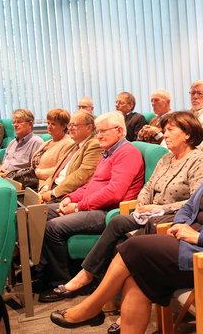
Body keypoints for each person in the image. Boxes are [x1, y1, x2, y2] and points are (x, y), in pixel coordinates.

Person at [48, 110, 203, 332]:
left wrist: (200, 236)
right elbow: (189, 205)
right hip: (193, 247)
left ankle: (92, 306)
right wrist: (180, 223)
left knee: (136, 246)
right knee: (137, 278)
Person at [44, 111, 203, 306]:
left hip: (172, 217)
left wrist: (156, 208)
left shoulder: (199, 160)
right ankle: (114, 298)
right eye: (164, 130)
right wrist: (142, 204)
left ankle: (91, 281)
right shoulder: (166, 159)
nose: (164, 134)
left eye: (170, 130)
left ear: (187, 133)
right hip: (148, 213)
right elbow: (148, 187)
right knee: (119, 237)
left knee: (118, 225)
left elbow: (195, 201)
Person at [36, 111, 145, 298]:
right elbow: (91, 185)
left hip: (110, 211)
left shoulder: (127, 153)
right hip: (93, 205)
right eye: (97, 131)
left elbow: (114, 193)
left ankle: (64, 282)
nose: (98, 136)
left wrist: (79, 206)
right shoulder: (108, 152)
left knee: (53, 228)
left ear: (119, 131)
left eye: (103, 131)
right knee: (39, 213)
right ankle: (43, 272)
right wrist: (70, 198)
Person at [39, 111, 102, 203]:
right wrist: (45, 187)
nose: (70, 129)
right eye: (70, 125)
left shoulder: (94, 145)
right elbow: (55, 172)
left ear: (89, 127)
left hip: (66, 194)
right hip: (52, 188)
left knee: (29, 213)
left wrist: (53, 193)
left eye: (74, 125)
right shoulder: (72, 146)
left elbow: (81, 175)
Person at [12, 109, 73, 189]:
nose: (49, 126)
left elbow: (61, 170)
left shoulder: (68, 143)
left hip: (48, 186)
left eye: (53, 124)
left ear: (64, 126)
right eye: (48, 123)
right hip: (32, 183)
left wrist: (38, 173)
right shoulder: (47, 142)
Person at [0, 109, 44, 179]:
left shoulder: (36, 142)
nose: (15, 125)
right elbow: (4, 164)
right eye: (14, 122)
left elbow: (35, 170)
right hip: (1, 177)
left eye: (19, 122)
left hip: (18, 181)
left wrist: (11, 174)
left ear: (30, 124)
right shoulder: (12, 143)